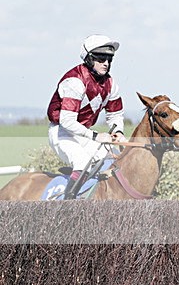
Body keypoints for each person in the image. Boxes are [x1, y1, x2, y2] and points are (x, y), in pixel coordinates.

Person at [47, 34, 125, 199]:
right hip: (61, 132)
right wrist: (96, 136)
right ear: (89, 58)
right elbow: (67, 121)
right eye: (101, 58)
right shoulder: (75, 81)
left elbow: (115, 113)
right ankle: (68, 205)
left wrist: (119, 132)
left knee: (111, 156)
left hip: (82, 132)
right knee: (82, 162)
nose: (106, 63)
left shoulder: (111, 84)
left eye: (109, 58)